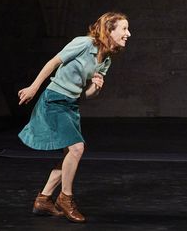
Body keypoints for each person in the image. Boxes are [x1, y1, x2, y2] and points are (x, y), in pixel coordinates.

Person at [17, 12, 131, 223]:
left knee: (70, 154)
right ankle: (65, 198)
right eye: (124, 29)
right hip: (54, 100)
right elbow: (53, 63)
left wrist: (96, 88)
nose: (128, 33)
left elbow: (85, 94)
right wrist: (34, 87)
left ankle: (43, 200)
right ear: (109, 29)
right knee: (77, 148)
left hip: (71, 104)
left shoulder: (106, 58)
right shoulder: (84, 43)